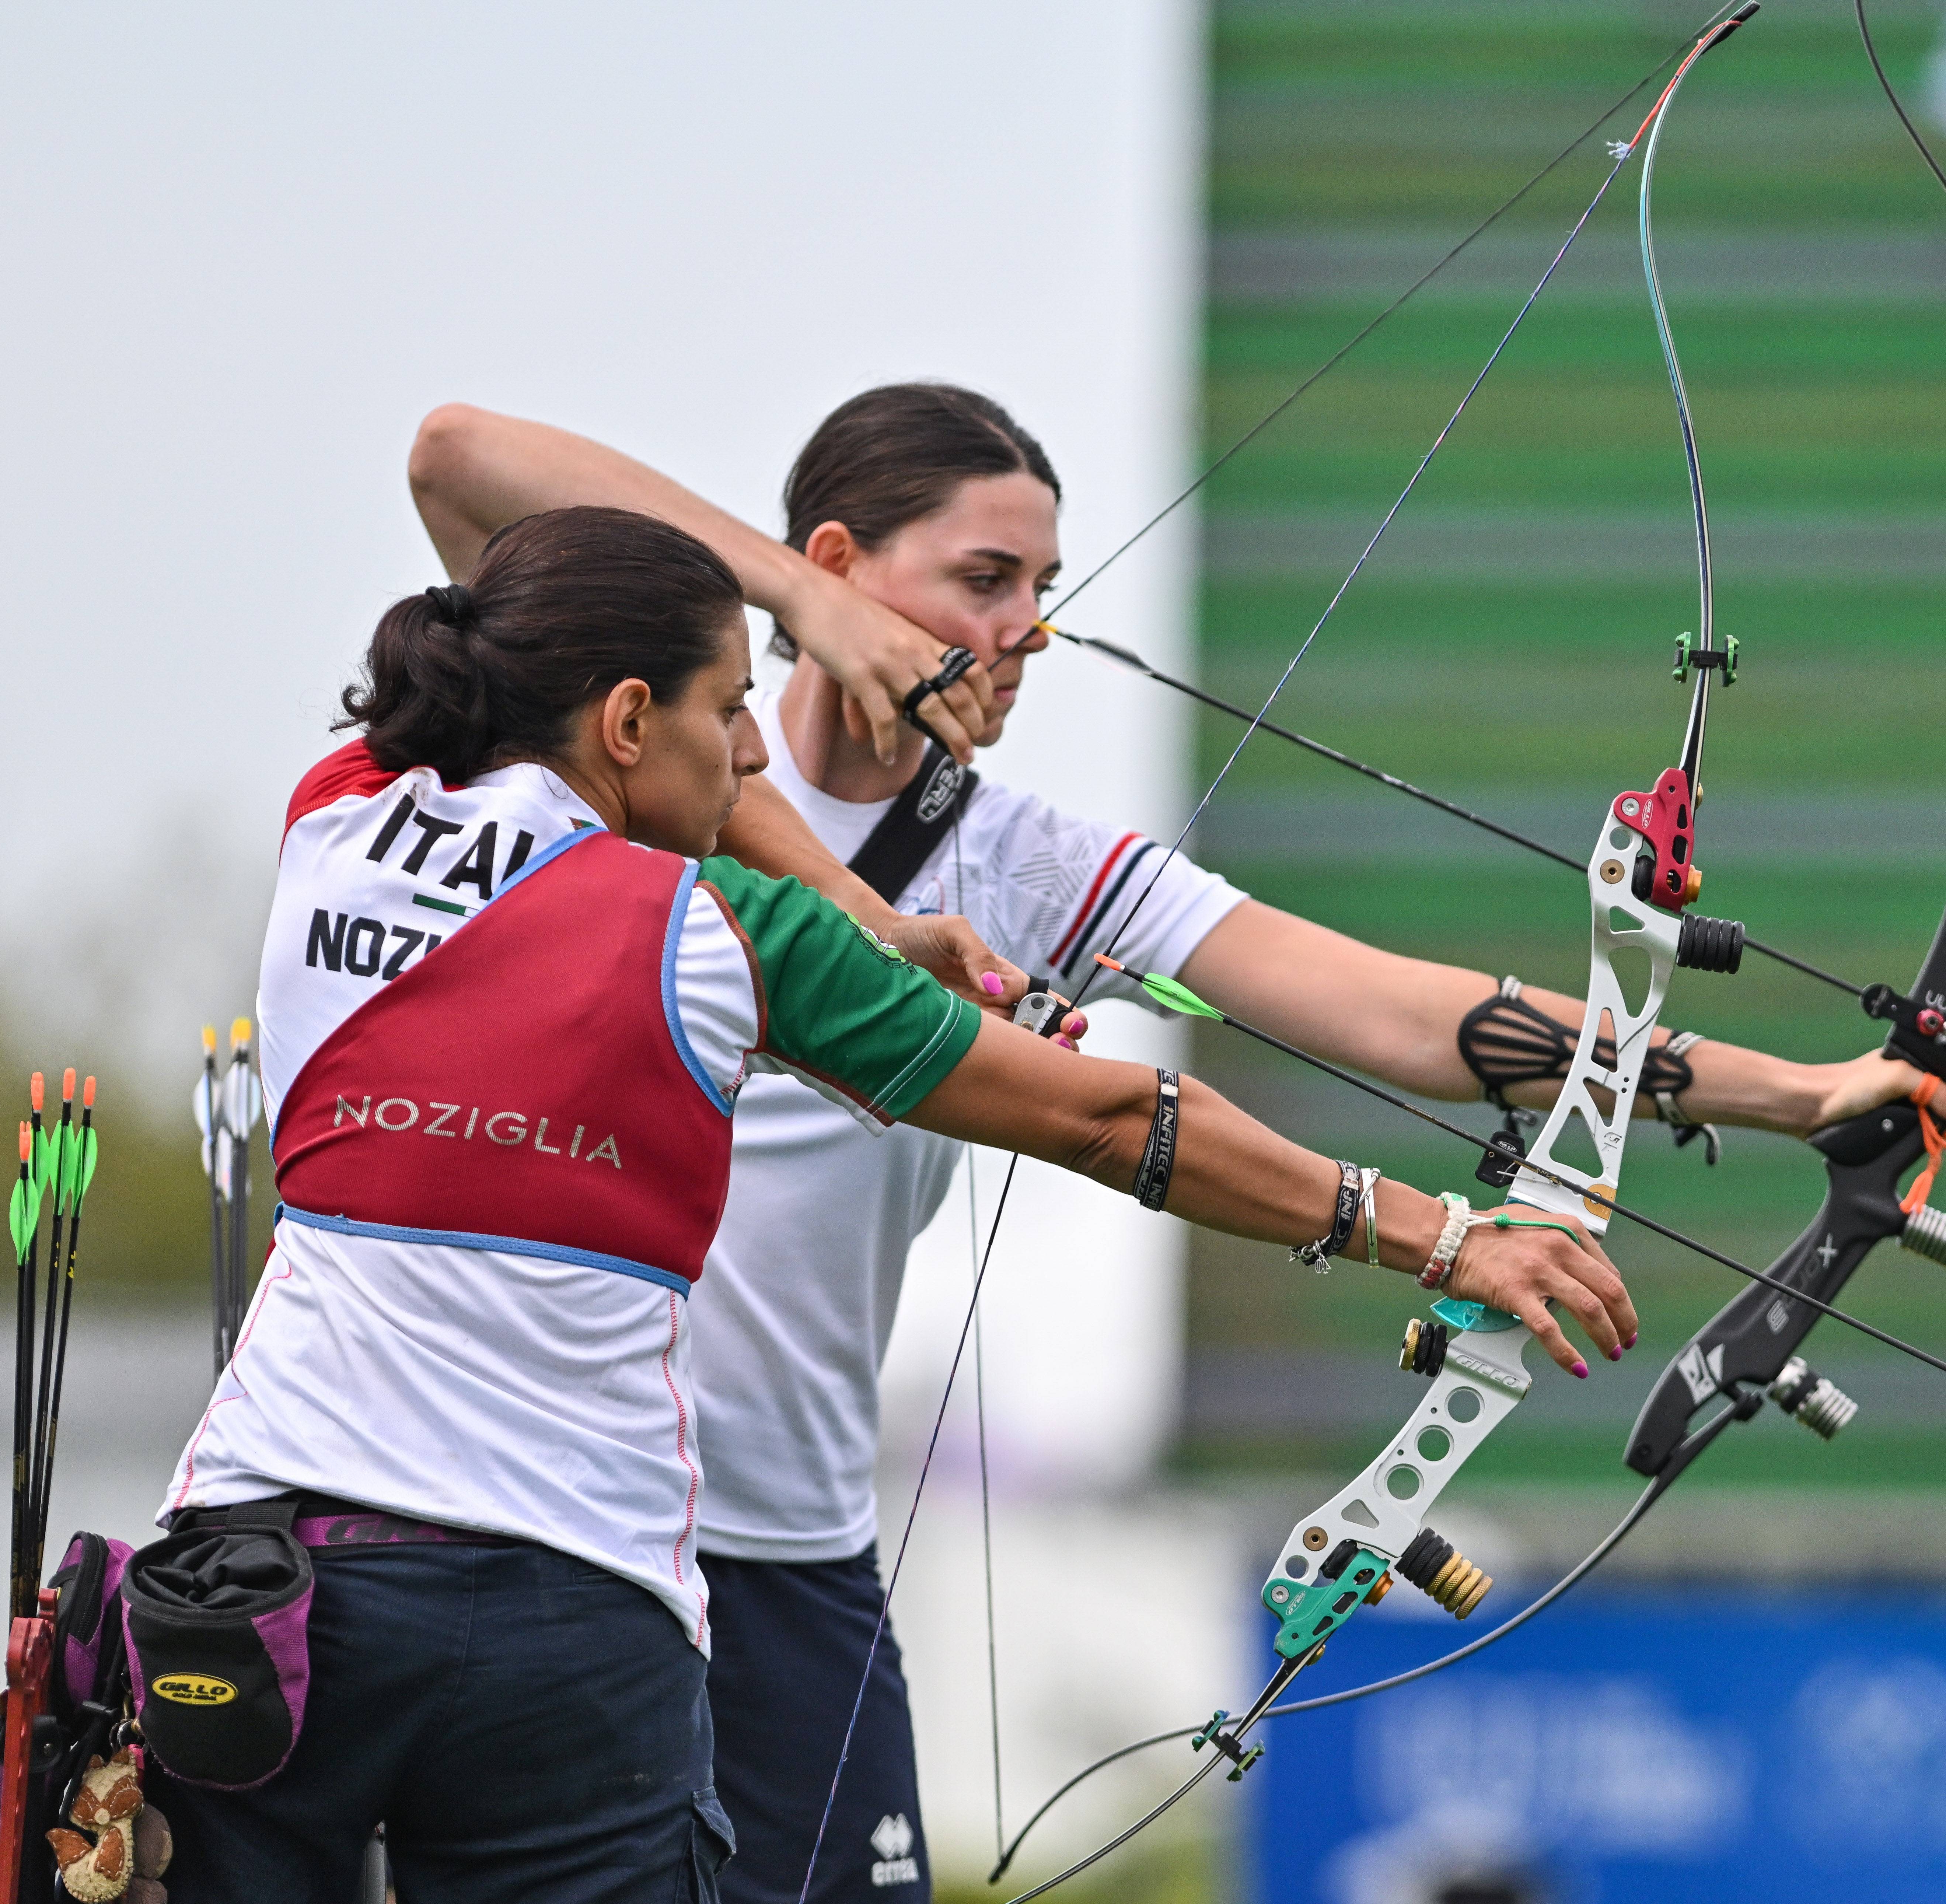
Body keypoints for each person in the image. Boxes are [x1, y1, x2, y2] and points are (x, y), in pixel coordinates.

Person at [408, 391, 1946, 1903]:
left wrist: (1794, 1089)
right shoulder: (619, 755)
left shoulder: (1016, 859)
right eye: (978, 580)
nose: (1020, 626)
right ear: (830, 563)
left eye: (1041, 586)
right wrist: (781, 610)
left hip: (790, 1550)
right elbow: (460, 457)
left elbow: (1395, 1014)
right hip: (558, 1522)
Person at [153, 503, 1633, 1901]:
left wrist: (844, 814)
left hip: (261, 1565)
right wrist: (1444, 1232)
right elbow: (1105, 1114)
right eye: (725, 708)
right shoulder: (722, 929)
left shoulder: (330, 812)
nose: (748, 753)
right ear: (621, 723)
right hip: (560, 1609)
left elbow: (457, 454)